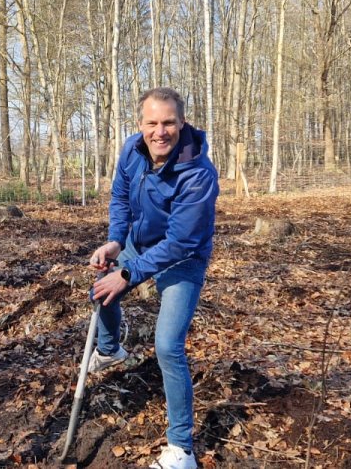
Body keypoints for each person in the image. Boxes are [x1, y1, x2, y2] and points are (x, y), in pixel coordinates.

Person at [86, 88, 218, 469]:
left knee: (167, 345)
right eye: (152, 123)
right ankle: (110, 350)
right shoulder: (132, 149)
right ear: (141, 124)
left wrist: (127, 274)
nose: (160, 132)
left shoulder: (198, 174)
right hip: (137, 244)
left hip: (184, 257)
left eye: (169, 123)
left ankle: (182, 450)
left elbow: (179, 242)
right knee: (99, 289)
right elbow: (121, 197)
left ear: (182, 122)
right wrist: (115, 241)